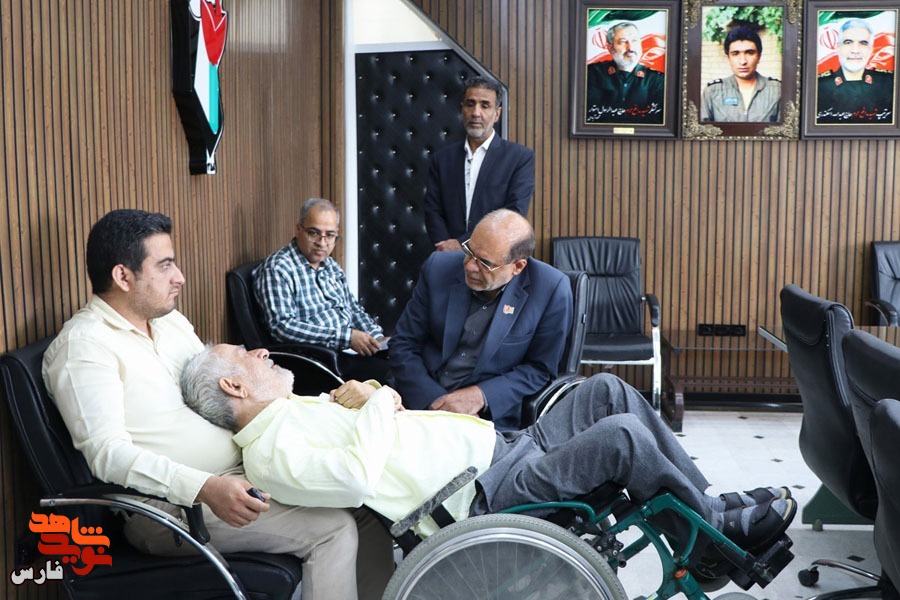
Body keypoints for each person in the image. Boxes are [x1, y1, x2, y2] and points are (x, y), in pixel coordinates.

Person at [42, 209, 392, 600]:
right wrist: (204, 487)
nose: (180, 277)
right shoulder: (85, 347)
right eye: (165, 266)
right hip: (172, 509)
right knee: (334, 529)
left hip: (252, 468)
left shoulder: (169, 323)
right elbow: (106, 455)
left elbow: (230, 390)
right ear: (123, 276)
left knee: (369, 508)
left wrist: (331, 404)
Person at [181, 343, 798, 563]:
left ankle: (706, 510)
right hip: (485, 497)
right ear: (234, 386)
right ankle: (714, 541)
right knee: (622, 437)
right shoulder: (271, 452)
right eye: (246, 356)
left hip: (504, 447)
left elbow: (371, 427)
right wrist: (378, 398)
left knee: (606, 389)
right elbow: (352, 478)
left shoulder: (295, 410)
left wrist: (368, 398)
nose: (261, 353)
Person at [388, 209, 572, 431]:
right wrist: (435, 402)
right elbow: (404, 344)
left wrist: (480, 396)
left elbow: (539, 369)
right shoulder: (438, 268)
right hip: (414, 404)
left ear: (517, 267)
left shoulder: (550, 289)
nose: (469, 266)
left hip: (483, 419)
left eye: (484, 262)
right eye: (469, 251)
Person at [254, 198, 390, 382]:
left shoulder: (330, 265)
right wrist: (347, 337)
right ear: (298, 229)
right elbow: (282, 327)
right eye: (314, 233)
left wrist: (377, 339)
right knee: (396, 373)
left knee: (408, 360)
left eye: (330, 235)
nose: (322, 242)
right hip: (320, 361)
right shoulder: (278, 268)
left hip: (347, 352)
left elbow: (353, 309)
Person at [424, 75, 535, 251]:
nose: (476, 112)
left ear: (497, 114)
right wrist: (446, 247)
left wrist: (462, 244)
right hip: (445, 254)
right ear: (462, 110)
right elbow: (432, 210)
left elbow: (512, 214)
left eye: (485, 105)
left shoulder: (519, 158)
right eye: (470, 104)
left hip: (492, 257)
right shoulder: (442, 158)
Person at [817, 18, 896, 124]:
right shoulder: (819, 86)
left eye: (863, 43)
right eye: (848, 42)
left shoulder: (889, 84)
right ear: (838, 48)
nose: (855, 50)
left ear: (871, 49)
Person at [585, 21, 666, 124]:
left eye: (634, 41)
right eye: (623, 42)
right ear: (610, 48)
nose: (630, 48)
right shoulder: (591, 74)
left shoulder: (657, 80)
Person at [701, 27, 781, 122]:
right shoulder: (713, 91)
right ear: (728, 58)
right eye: (735, 54)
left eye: (749, 53)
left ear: (759, 57)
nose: (743, 61)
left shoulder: (777, 90)